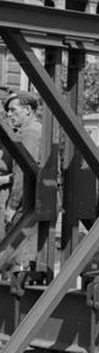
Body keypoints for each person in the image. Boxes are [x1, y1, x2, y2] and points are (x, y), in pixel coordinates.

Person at [2, 91, 42, 271]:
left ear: (27, 110)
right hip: (36, 201)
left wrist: (12, 206)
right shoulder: (36, 130)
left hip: (28, 203)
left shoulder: (29, 134)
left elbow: (23, 173)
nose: (9, 114)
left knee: (10, 259)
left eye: (13, 110)